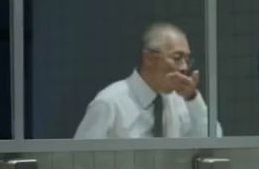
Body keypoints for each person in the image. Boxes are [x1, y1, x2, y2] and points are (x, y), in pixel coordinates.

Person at [74, 23, 211, 139]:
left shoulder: (179, 101)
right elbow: (79, 162)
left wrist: (192, 98)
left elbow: (212, 141)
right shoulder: (110, 103)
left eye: (187, 60)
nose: (184, 67)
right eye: (177, 57)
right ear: (149, 58)